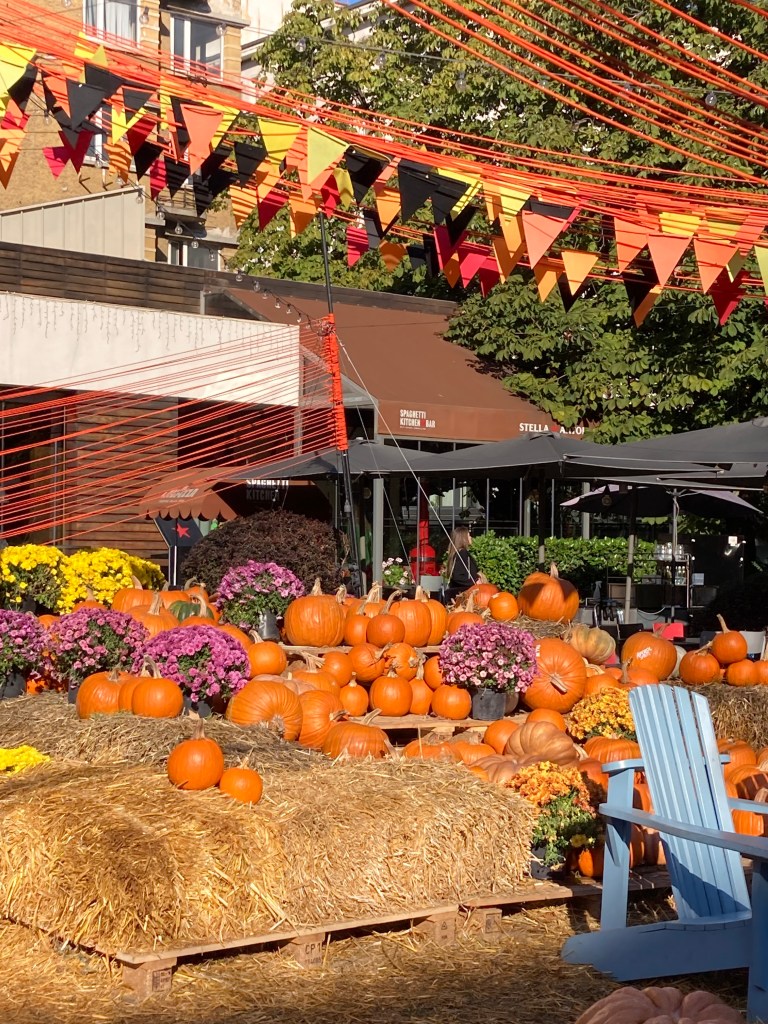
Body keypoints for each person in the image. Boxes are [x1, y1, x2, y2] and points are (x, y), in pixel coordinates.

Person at [444, 525, 484, 603]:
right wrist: (474, 582)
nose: (471, 537)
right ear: (464, 539)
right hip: (463, 596)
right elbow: (457, 576)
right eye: (469, 535)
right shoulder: (462, 553)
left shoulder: (457, 553)